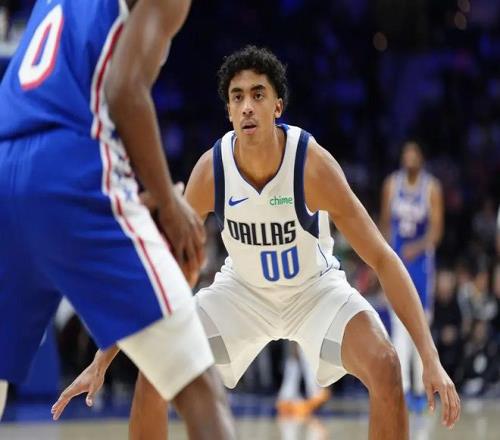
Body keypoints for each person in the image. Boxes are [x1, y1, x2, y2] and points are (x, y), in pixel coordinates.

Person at [55, 46, 460, 439]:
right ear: (229, 112)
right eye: (237, 97)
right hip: (241, 294)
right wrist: (103, 357)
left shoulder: (312, 165)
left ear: (277, 106)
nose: (247, 106)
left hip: (314, 292)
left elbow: (383, 259)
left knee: (386, 363)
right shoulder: (212, 170)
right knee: (155, 367)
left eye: (258, 94)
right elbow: (157, 269)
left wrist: (430, 357)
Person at [0, 1, 235, 439]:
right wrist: (168, 203)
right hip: (71, 170)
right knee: (200, 387)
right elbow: (124, 92)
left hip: (5, 165)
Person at [380, 141, 444, 411]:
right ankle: (404, 389)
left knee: (422, 326)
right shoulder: (391, 184)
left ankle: (422, 389)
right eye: (405, 154)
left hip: (421, 265)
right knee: (398, 325)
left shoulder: (431, 187)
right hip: (397, 262)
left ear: (421, 158)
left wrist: (415, 249)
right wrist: (383, 257)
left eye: (413, 154)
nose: (409, 158)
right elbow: (384, 225)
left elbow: (436, 231)